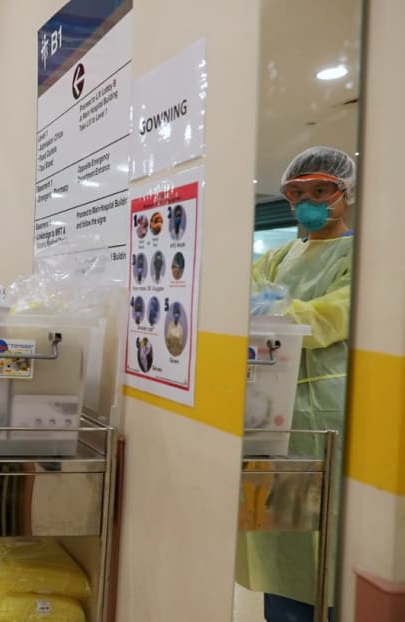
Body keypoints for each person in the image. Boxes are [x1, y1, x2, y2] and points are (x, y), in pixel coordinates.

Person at [236, 146, 355, 622]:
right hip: (269, 413)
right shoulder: (281, 256)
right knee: (276, 540)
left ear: (343, 193)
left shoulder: (360, 256)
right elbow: (239, 298)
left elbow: (337, 314)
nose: (308, 201)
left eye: (320, 190)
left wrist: (283, 314)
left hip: (328, 417)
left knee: (325, 544)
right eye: (296, 193)